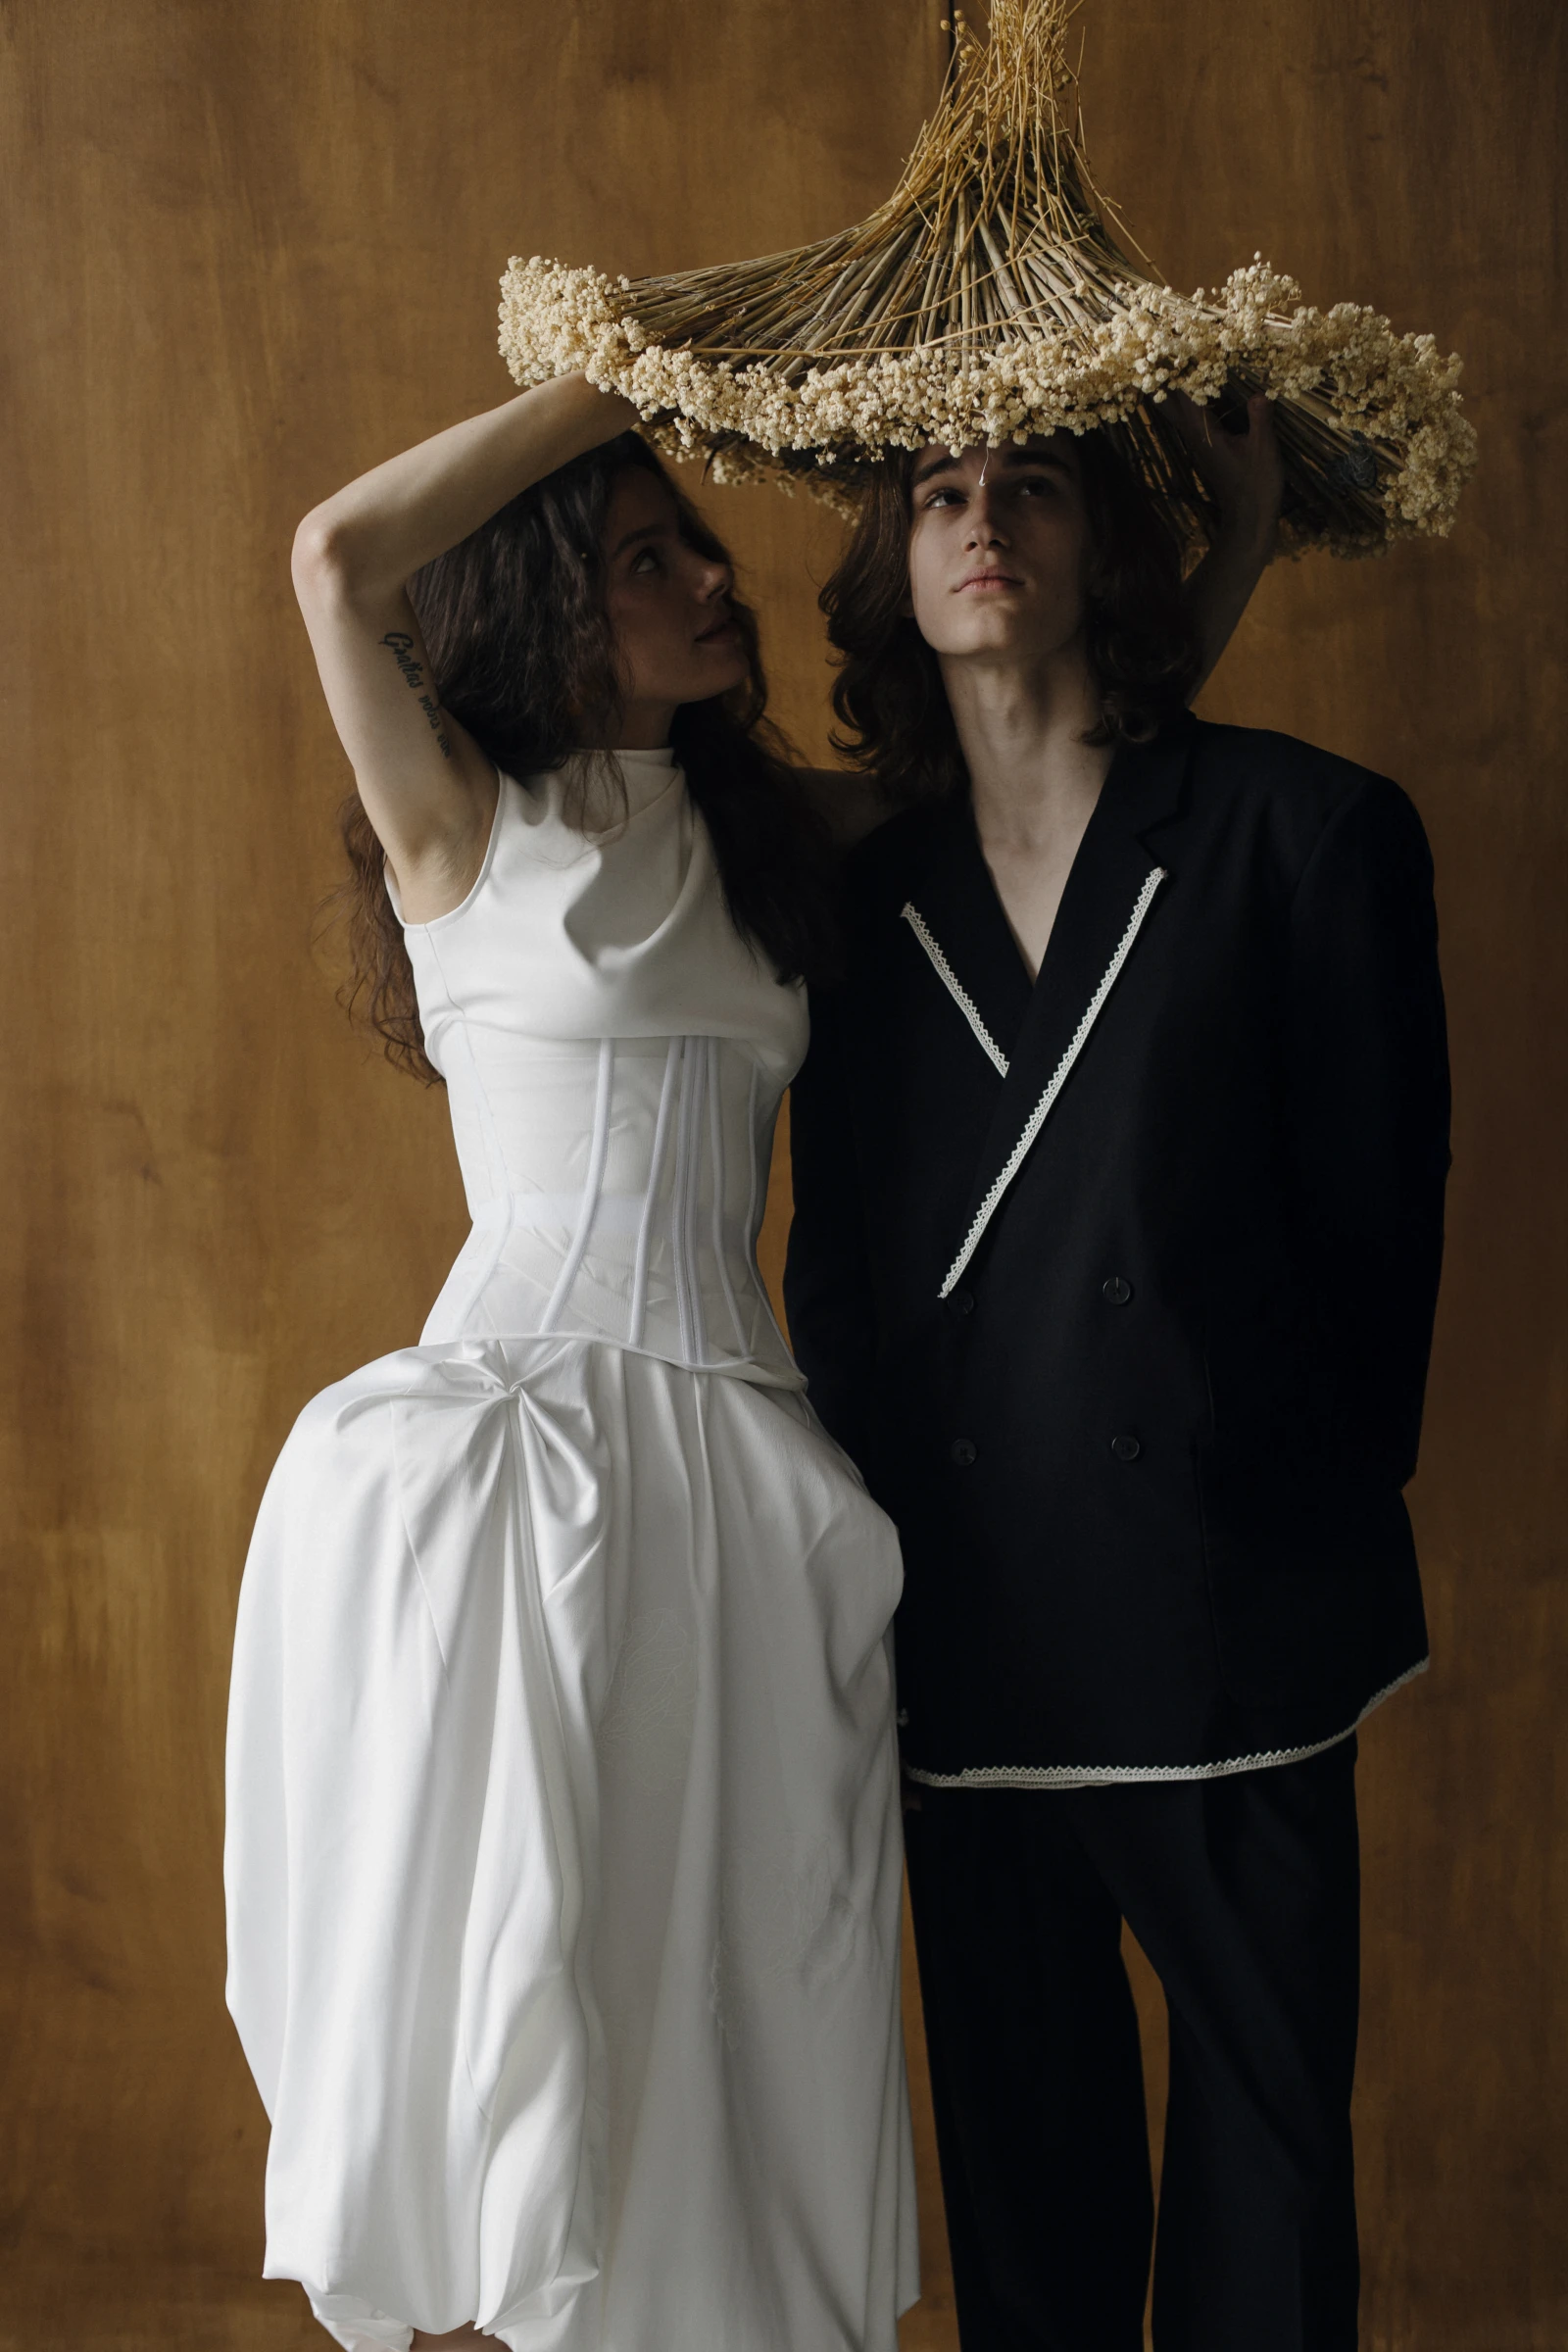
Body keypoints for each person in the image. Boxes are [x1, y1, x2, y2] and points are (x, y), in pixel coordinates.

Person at [223, 374, 918, 2352]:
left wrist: (1221, 550)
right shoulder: (461, 828)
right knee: (560, 1983)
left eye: (695, 542)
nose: (710, 579)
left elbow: (1052, 752)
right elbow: (335, 561)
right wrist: (629, 370)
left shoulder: (781, 843)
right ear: (549, 607)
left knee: (760, 1999)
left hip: (754, 1495)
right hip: (537, 1479)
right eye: (644, 560)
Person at [784, 417, 1450, 2350]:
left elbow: (1377, 1236)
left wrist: (1271, 1518)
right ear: (894, 567)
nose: (982, 520)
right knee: (1028, 2189)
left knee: (1269, 2181)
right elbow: (839, 1267)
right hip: (964, 1620)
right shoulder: (853, 898)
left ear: (1109, 545)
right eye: (937, 495)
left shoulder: (1305, 832)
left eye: (1033, 486)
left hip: (1231, 1615)